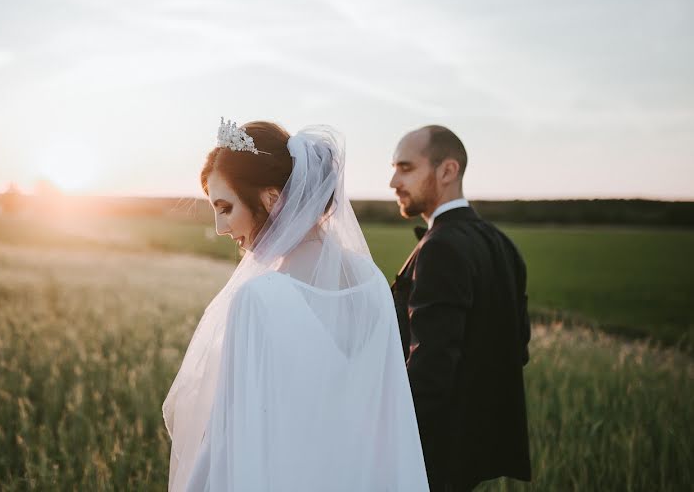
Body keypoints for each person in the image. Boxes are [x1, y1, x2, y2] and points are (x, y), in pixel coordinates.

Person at [164, 119, 428, 492]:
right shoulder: (372, 284)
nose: (221, 227)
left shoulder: (258, 299)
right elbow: (390, 421)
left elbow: (230, 440)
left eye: (225, 207)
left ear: (272, 199)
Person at [389, 125, 531, 491]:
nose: (393, 181)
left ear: (447, 171)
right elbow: (518, 348)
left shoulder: (441, 247)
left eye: (406, 168)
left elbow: (430, 369)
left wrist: (390, 442)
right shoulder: (502, 244)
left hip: (432, 458)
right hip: (471, 456)